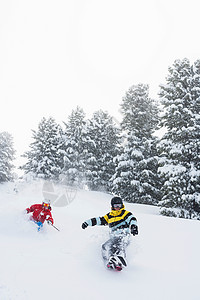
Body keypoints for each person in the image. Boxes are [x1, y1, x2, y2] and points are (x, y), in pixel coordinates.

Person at [82, 196, 138, 270]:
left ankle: (120, 257)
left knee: (119, 244)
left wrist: (134, 227)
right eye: (115, 205)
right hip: (114, 237)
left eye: (119, 205)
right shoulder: (109, 216)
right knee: (105, 246)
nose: (117, 207)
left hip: (124, 236)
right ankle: (110, 260)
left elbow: (132, 219)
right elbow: (99, 220)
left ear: (122, 205)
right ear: (112, 206)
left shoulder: (125, 213)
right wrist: (87, 223)